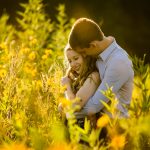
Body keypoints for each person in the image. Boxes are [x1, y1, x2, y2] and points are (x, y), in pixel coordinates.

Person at [68, 17, 134, 119]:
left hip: (115, 126)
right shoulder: (98, 53)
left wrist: (67, 111)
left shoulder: (118, 62)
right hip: (96, 124)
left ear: (93, 45)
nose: (84, 56)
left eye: (84, 52)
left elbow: (93, 107)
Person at [59, 44, 101, 127]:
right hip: (75, 129)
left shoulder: (94, 76)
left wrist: (67, 86)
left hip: (88, 131)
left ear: (85, 56)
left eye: (76, 58)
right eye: (70, 61)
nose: (73, 64)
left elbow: (75, 106)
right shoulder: (77, 79)